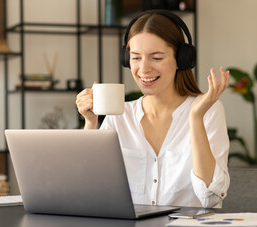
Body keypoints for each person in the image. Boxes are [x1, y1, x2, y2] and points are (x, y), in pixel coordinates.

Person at [76, 10, 230, 208]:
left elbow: (210, 197)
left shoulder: (207, 111)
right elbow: (86, 190)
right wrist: (90, 123)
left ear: (182, 59)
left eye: (156, 58)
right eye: (136, 58)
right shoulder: (120, 116)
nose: (144, 69)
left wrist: (195, 118)